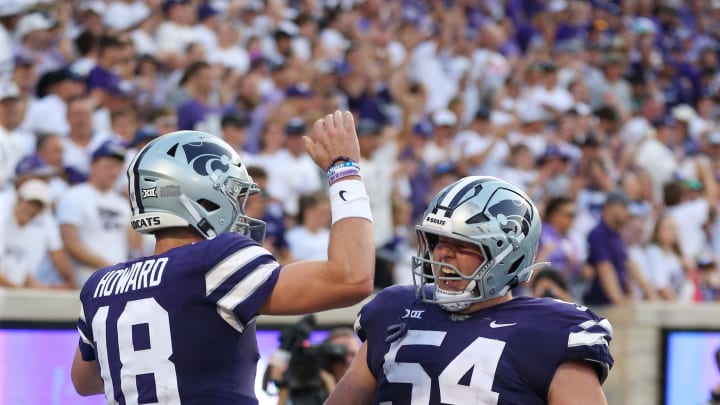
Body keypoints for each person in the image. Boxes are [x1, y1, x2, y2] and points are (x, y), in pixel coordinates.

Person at [71, 110, 375, 403]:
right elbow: (351, 278)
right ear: (200, 196)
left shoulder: (100, 285)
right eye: (233, 196)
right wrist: (343, 169)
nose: (239, 210)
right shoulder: (215, 261)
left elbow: (84, 382)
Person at [326, 176, 614, 404]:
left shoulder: (552, 331)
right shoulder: (394, 308)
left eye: (463, 245)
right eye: (438, 241)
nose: (443, 255)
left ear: (508, 256)